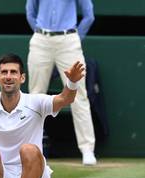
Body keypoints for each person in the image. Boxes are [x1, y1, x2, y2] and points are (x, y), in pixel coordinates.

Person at [26, 0, 97, 165]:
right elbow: (30, 11)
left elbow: (89, 14)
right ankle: (31, 148)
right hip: (40, 40)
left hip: (69, 40)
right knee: (35, 96)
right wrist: (39, 33)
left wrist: (74, 38)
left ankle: (87, 150)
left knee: (79, 95)